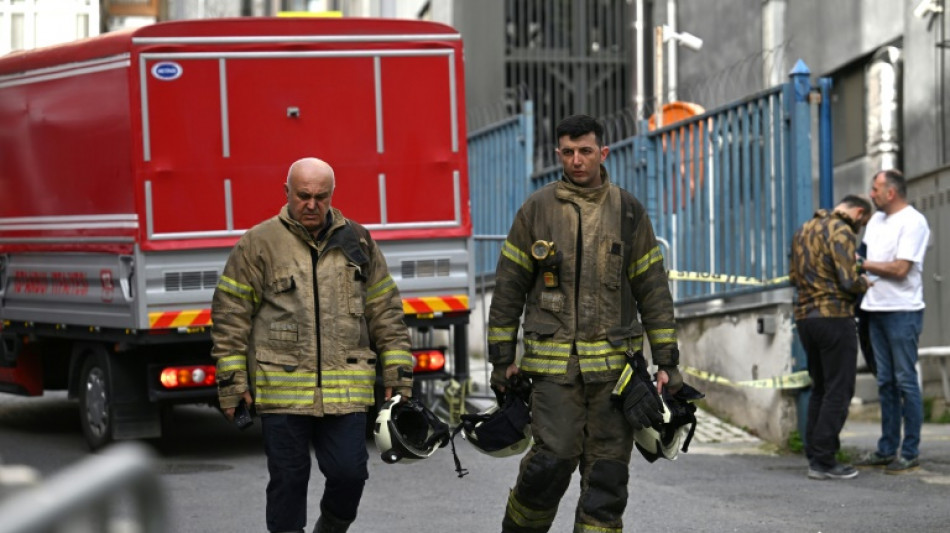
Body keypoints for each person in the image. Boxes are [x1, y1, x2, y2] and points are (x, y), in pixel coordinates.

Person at [487, 114, 682, 533]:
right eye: (568, 152)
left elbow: (653, 290)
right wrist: (501, 360)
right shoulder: (536, 210)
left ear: (603, 153)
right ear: (559, 153)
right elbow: (508, 289)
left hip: (615, 374)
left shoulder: (628, 212)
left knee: (608, 476)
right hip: (554, 372)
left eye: (585, 151)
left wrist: (667, 361)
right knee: (551, 462)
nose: (576, 160)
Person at [211, 157, 413, 533]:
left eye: (320, 196)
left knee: (350, 473)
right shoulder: (260, 243)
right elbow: (230, 315)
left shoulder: (358, 241)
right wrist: (232, 384)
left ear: (332, 195)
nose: (311, 204)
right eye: (303, 195)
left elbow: (385, 310)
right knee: (288, 481)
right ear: (287, 192)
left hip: (345, 388)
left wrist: (399, 375)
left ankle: (331, 527)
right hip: (282, 390)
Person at [788, 195, 872, 480]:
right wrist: (865, 282)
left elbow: (792, 277)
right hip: (834, 316)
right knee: (839, 389)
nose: (861, 227)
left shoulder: (803, 229)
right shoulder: (841, 231)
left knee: (821, 388)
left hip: (805, 319)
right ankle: (824, 459)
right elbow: (849, 280)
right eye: (864, 221)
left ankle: (815, 454)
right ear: (858, 212)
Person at [855, 169, 931, 474]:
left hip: (903, 311)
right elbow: (861, 256)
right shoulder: (875, 220)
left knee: (905, 381)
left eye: (875, 189)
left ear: (891, 192)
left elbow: (901, 269)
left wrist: (863, 265)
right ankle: (886, 449)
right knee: (885, 382)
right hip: (874, 310)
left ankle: (910, 451)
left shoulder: (914, 222)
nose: (871, 194)